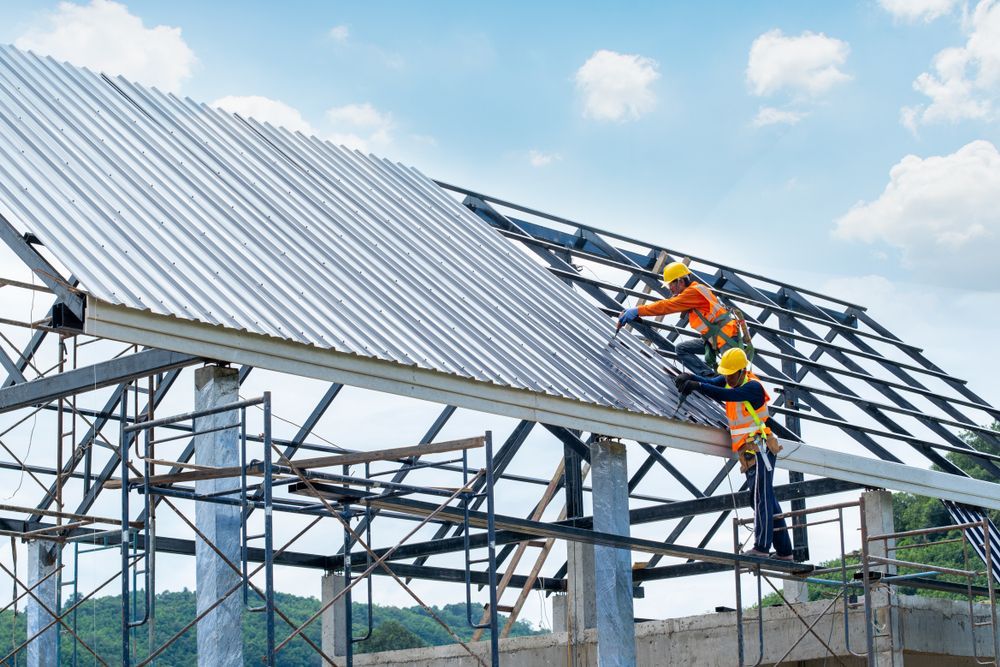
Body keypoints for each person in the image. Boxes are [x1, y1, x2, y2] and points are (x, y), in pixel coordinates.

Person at [676, 348, 793, 560]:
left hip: (760, 449)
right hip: (749, 451)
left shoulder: (752, 387)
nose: (728, 377)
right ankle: (785, 552)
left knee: (760, 499)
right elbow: (715, 383)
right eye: (727, 374)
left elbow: (725, 394)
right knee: (765, 499)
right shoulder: (732, 379)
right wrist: (692, 378)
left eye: (731, 373)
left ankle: (762, 547)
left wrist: (698, 386)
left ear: (741, 371)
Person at [616, 261, 742, 376]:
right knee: (682, 349)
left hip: (726, 337)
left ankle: (717, 383)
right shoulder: (695, 291)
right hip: (715, 338)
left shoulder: (693, 292)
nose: (669, 288)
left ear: (680, 281)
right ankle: (709, 377)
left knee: (731, 378)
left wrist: (638, 310)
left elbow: (667, 306)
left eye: (671, 284)